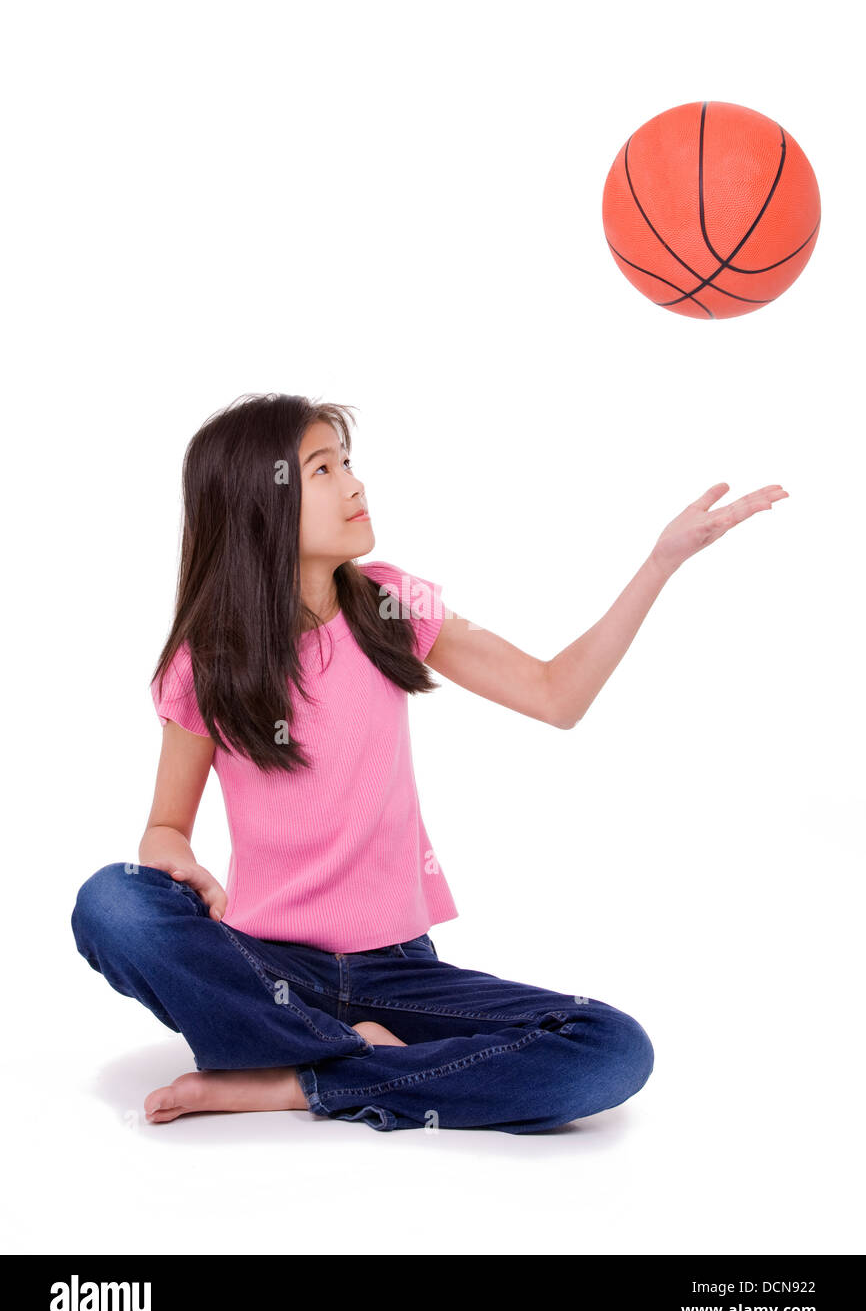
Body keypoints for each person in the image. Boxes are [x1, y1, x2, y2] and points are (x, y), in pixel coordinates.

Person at [70, 392, 788, 1134]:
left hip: (398, 973)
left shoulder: (389, 604)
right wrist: (172, 860)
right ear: (261, 502)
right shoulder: (206, 664)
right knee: (110, 900)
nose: (354, 484)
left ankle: (302, 1078)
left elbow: (556, 693)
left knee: (611, 1049)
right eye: (323, 470)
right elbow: (164, 829)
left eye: (348, 463)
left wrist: (660, 562)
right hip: (265, 967)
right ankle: (328, 1050)